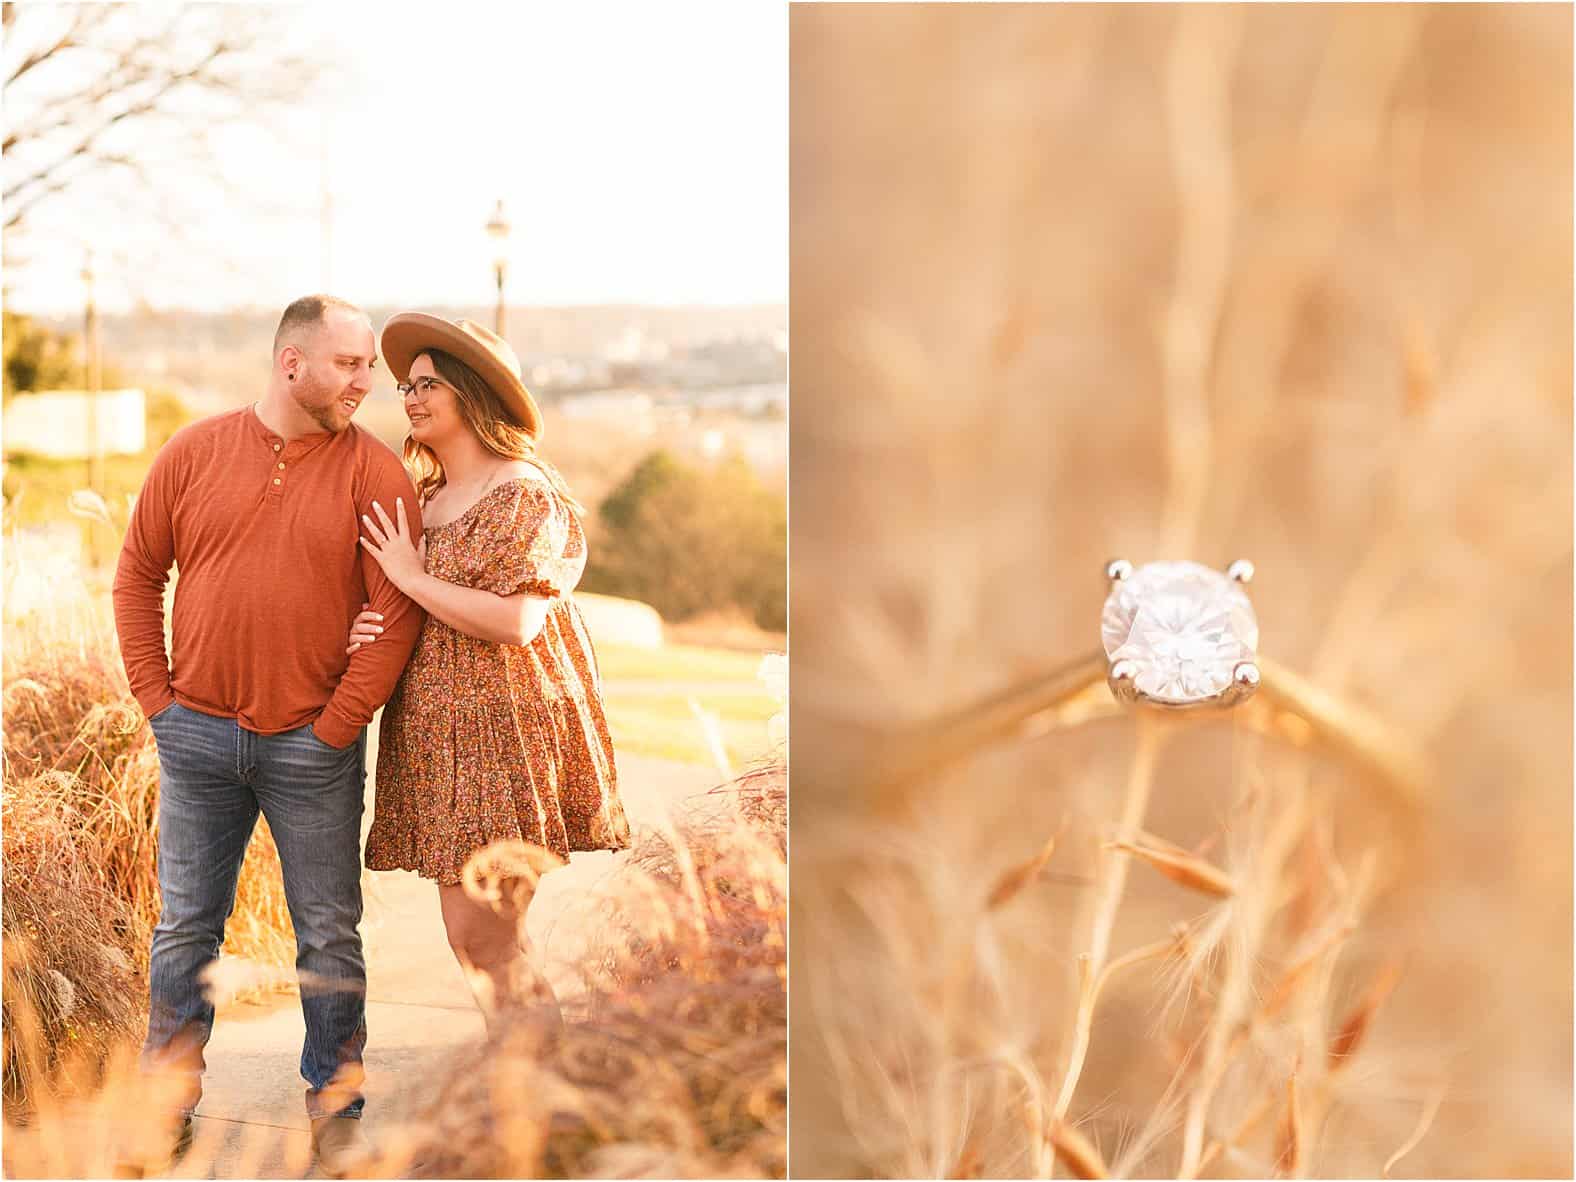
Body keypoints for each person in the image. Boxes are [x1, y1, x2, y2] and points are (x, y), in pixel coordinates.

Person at [112, 295, 422, 1174]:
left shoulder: (376, 473)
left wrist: (333, 730)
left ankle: (336, 1103)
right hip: (196, 737)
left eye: (371, 366)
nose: (368, 382)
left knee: (328, 933)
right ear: (292, 364)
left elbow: (392, 615)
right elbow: (137, 576)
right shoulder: (194, 452)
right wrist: (157, 703)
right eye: (350, 364)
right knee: (185, 930)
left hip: (310, 750)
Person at [347, 312, 631, 1031]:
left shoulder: (522, 492)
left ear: (473, 393)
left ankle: (542, 1106)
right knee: (480, 943)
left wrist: (410, 578)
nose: (411, 397)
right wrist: (373, 619)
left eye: (431, 383)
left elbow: (515, 622)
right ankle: (533, 1099)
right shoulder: (427, 499)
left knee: (486, 941)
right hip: (443, 744)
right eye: (408, 385)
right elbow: (412, 607)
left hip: (507, 740)